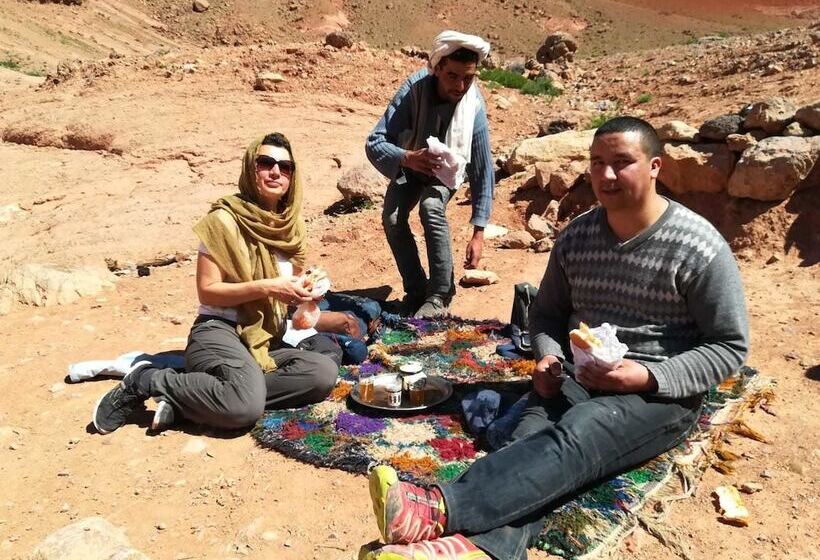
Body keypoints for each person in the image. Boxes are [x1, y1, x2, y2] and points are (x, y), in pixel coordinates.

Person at [359, 117, 750, 560]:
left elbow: (729, 346)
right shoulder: (578, 236)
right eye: (597, 162)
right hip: (576, 376)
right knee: (526, 443)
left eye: (622, 163)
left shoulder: (698, 246)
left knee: (580, 432)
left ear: (655, 166)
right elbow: (547, 313)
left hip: (660, 395)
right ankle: (478, 551)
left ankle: (439, 508)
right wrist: (547, 357)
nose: (605, 175)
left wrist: (645, 376)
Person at [91, 133, 338, 434]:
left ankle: (195, 398)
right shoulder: (224, 221)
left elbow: (290, 290)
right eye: (266, 163)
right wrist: (268, 287)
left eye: (285, 167)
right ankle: (147, 380)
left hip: (262, 338)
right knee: (244, 407)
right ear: (251, 168)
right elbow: (208, 291)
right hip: (218, 331)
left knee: (322, 373)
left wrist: (305, 294)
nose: (276, 172)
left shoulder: (292, 228)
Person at [365, 30, 495, 318]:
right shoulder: (413, 91)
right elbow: (375, 142)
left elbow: (483, 168)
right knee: (393, 217)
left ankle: (440, 293)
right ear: (436, 69)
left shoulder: (473, 105)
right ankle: (415, 290)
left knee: (431, 206)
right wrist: (407, 158)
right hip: (412, 162)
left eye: (469, 77)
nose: (461, 85)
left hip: (448, 170)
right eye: (452, 76)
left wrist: (479, 231)